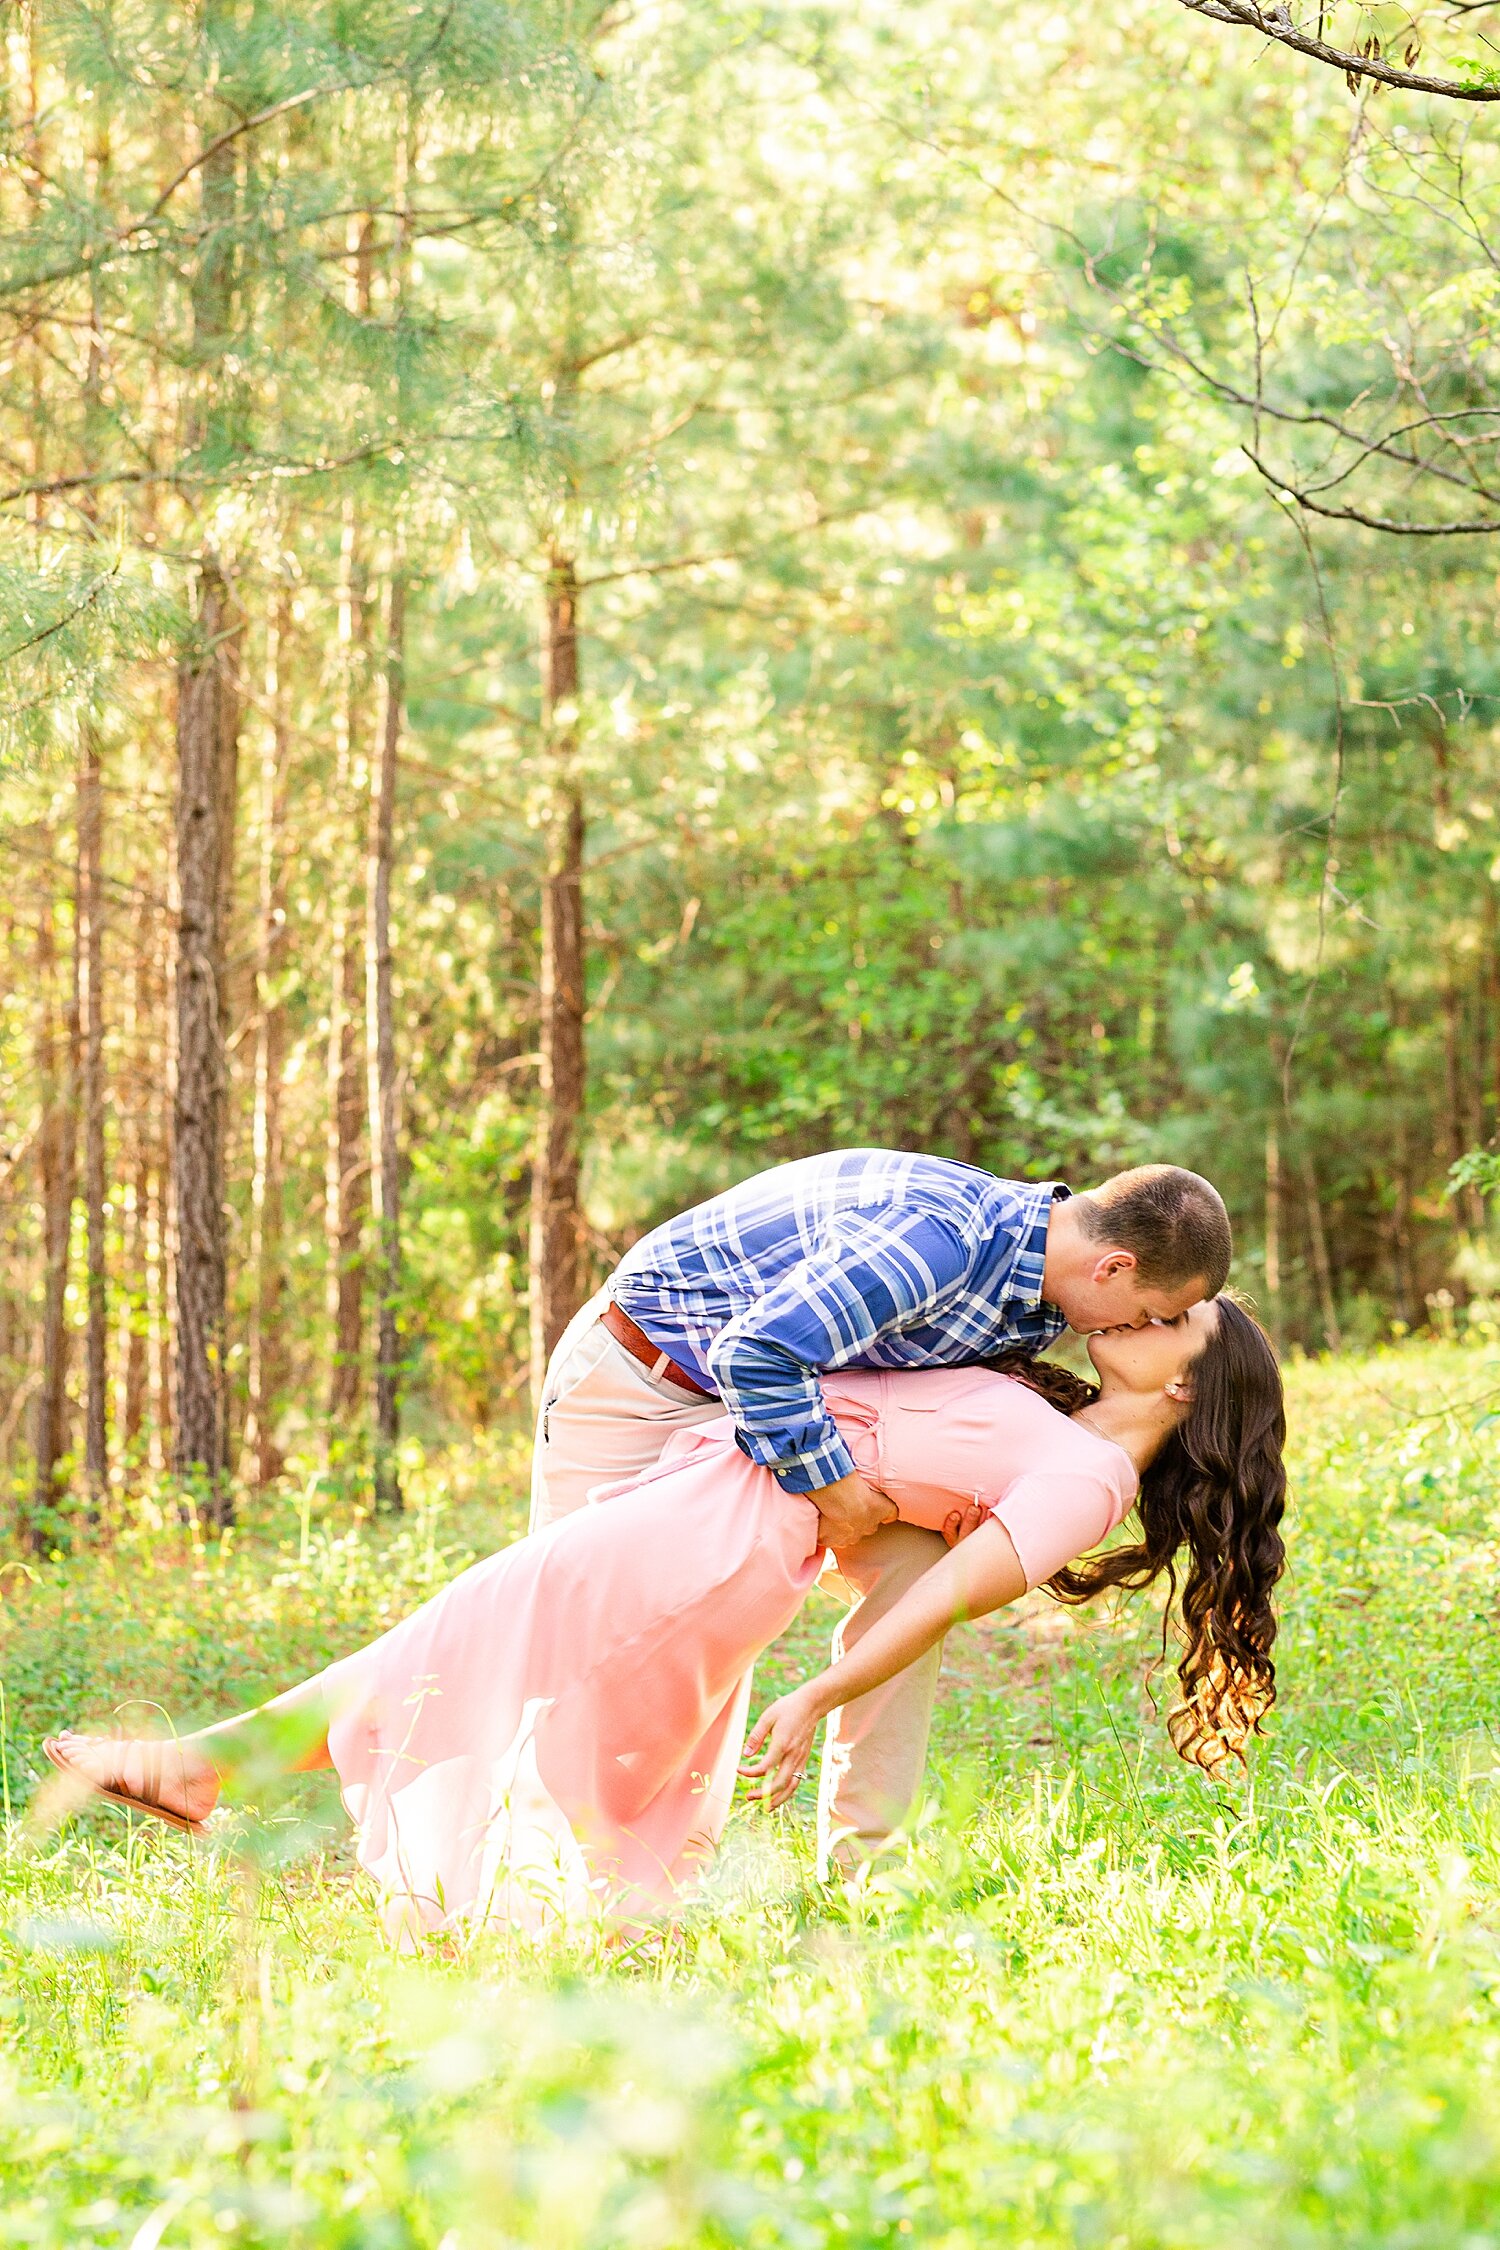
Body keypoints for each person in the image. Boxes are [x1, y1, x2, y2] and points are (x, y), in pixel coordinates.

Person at [43, 1295, 1285, 1942]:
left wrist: (815, 1698)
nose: (1142, 1311)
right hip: (712, 1505)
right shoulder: (1054, 1423)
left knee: (466, 1641)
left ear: (1185, 1381)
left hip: (724, 1540)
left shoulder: (1087, 1480)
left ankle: (212, 1768)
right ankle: (224, 1776)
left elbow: (940, 1606)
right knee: (492, 1666)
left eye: (1175, 1320)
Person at [531, 1150, 1232, 1869]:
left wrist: (947, 1508)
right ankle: (547, 1864)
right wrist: (834, 1488)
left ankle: (864, 1862)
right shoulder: (941, 1244)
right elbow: (756, 1354)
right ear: (1112, 1267)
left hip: (781, 1417)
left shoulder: (1039, 1297)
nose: (1136, 1328)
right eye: (1150, 1311)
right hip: (647, 1380)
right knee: (586, 1634)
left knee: (915, 1571)